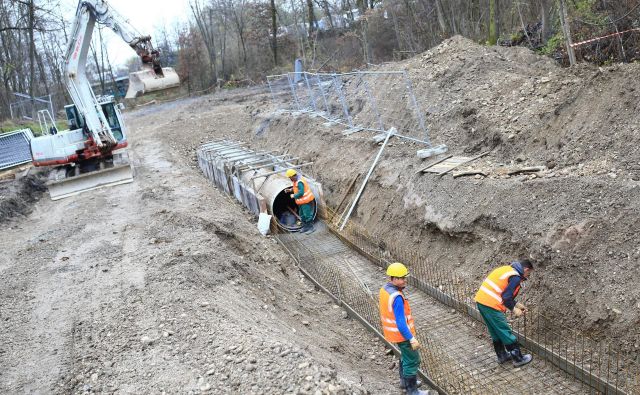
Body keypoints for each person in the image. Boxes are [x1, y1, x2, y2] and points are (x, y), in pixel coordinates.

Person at [474, 259, 535, 367]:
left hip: (482, 301)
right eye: (528, 273)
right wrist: (514, 309)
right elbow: (506, 297)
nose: (527, 276)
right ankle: (518, 359)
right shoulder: (515, 277)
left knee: (495, 331)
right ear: (525, 269)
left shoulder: (507, 270)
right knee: (504, 330)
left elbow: (501, 292)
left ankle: (502, 356)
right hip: (491, 305)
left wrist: (517, 304)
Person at [379, 262, 428, 395]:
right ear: (393, 279)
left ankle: (404, 382)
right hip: (402, 335)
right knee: (413, 360)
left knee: (405, 357)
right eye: (401, 278)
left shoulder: (385, 289)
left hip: (393, 334)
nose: (404, 280)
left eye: (404, 277)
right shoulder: (397, 298)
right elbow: (401, 323)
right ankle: (412, 391)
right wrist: (411, 338)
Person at [285, 169, 315, 234]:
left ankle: (311, 228)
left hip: (305, 201)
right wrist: (290, 190)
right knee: (301, 214)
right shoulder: (295, 180)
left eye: (290, 177)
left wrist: (293, 196)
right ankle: (305, 227)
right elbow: (296, 187)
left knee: (307, 215)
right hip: (301, 202)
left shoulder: (300, 182)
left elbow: (301, 193)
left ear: (293, 176)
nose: (290, 179)